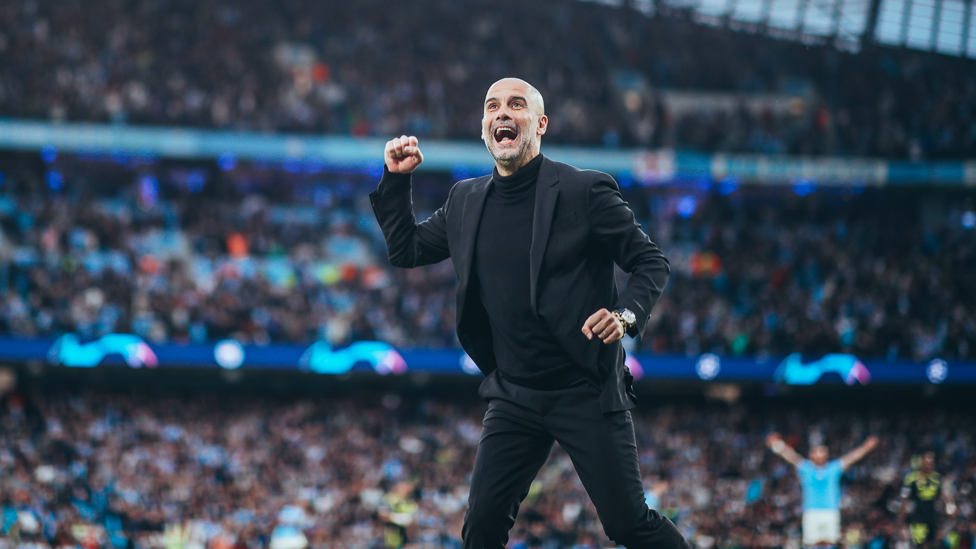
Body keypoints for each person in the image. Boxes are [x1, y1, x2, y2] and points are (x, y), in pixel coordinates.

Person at [370, 78, 685, 549]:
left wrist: (624, 317)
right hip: (515, 394)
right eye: (492, 106)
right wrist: (396, 180)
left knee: (627, 525)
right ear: (483, 129)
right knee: (481, 529)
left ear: (539, 125)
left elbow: (650, 262)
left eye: (516, 105)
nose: (502, 113)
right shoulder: (465, 200)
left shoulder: (585, 190)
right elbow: (406, 249)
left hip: (583, 388)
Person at [766, 433, 879, 548]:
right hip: (811, 511)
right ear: (812, 455)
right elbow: (790, 455)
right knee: (811, 543)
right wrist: (776, 444)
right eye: (818, 451)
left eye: (823, 451)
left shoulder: (833, 468)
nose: (821, 454)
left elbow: (851, 457)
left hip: (830, 511)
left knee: (830, 543)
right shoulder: (806, 468)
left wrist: (866, 447)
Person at [900, 451, 955, 549]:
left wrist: (946, 512)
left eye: (932, 462)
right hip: (917, 519)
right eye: (928, 462)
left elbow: (942, 498)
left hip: (932, 519)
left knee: (932, 545)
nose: (930, 464)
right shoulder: (911, 478)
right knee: (922, 545)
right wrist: (901, 524)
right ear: (922, 462)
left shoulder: (937, 478)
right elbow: (905, 501)